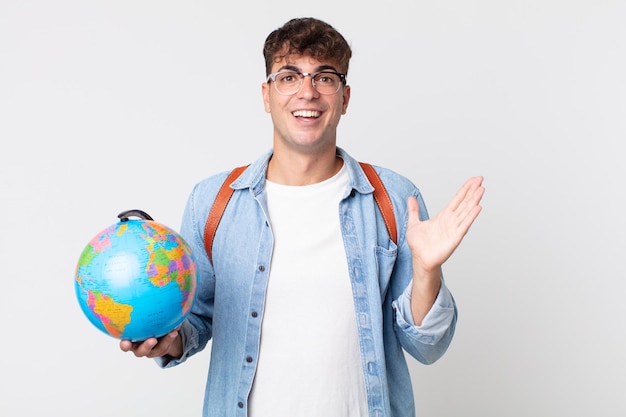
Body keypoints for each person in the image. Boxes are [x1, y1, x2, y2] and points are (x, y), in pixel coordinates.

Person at [120, 17, 485, 417]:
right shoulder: (214, 203)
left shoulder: (394, 199)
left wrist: (427, 269)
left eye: (325, 77)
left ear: (345, 97)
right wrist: (162, 338)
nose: (307, 92)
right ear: (267, 94)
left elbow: (427, 346)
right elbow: (194, 323)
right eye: (289, 76)